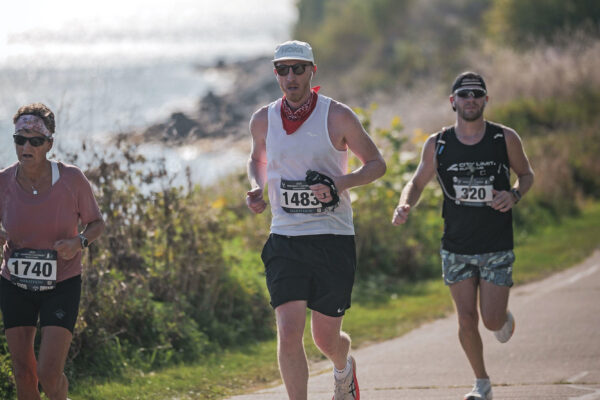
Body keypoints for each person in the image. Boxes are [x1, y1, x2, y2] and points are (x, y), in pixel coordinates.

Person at [246, 40, 386, 400]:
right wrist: (257, 187)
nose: (290, 76)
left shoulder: (337, 115)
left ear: (312, 70)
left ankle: (343, 367)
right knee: (288, 333)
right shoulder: (262, 119)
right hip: (285, 238)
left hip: (332, 237)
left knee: (325, 338)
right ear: (276, 73)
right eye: (283, 70)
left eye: (298, 68)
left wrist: (339, 183)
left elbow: (376, 164)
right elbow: (257, 159)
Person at [391, 72, 534, 400]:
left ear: (486, 100)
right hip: (456, 245)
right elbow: (416, 182)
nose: (471, 99)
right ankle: (481, 383)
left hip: (496, 243)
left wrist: (514, 194)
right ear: (452, 101)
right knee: (466, 318)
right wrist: (404, 204)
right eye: (464, 94)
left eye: (477, 94)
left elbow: (526, 174)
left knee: (491, 321)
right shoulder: (438, 143)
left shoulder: (503, 138)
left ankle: (501, 318)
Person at [0, 103, 105, 400]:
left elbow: (97, 223)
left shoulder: (71, 179)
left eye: (35, 140)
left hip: (61, 284)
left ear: (49, 144)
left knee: (48, 374)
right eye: (20, 139)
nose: (26, 147)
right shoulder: (3, 181)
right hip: (14, 284)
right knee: (23, 374)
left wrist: (79, 242)